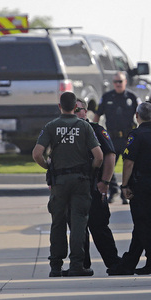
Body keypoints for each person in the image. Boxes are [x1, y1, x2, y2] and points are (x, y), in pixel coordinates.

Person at [33, 91, 103, 277]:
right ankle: (77, 265)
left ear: (59, 107)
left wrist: (48, 167)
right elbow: (99, 156)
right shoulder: (84, 127)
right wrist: (91, 171)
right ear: (75, 107)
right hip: (81, 180)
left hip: (59, 182)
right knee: (79, 221)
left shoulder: (51, 127)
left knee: (58, 222)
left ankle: (56, 265)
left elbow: (37, 154)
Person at [107, 102, 151, 276]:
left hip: (142, 185)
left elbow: (128, 163)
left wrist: (124, 186)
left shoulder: (136, 135)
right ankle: (128, 264)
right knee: (143, 224)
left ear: (137, 116)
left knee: (144, 225)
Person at [74, 98, 120, 271]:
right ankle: (82, 266)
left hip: (94, 186)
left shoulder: (96, 130)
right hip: (74, 189)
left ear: (86, 112)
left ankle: (113, 263)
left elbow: (109, 155)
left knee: (99, 226)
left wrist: (105, 182)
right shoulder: (64, 131)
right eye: (72, 110)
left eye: (79, 110)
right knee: (78, 230)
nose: (76, 113)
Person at [93, 71, 140, 203]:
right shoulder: (107, 97)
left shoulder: (132, 97)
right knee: (108, 163)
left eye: (120, 81)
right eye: (115, 82)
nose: (118, 84)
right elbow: (97, 114)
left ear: (125, 82)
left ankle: (126, 192)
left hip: (127, 138)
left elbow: (140, 115)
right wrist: (92, 130)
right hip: (111, 137)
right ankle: (113, 190)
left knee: (129, 164)